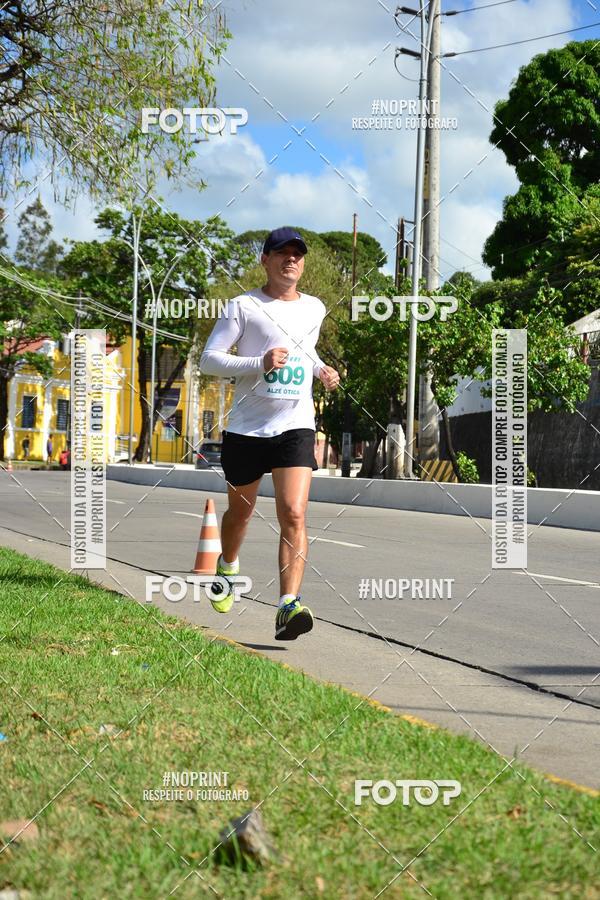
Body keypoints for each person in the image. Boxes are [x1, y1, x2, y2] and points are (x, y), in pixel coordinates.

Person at [200, 227, 340, 640]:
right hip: (246, 428)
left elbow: (305, 350)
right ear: (265, 260)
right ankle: (228, 565)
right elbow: (210, 360)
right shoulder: (243, 306)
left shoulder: (314, 308)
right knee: (240, 514)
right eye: (282, 253)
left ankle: (287, 605)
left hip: (295, 424)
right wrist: (258, 363)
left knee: (294, 513)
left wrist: (321, 370)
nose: (290, 260)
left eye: (297, 254)